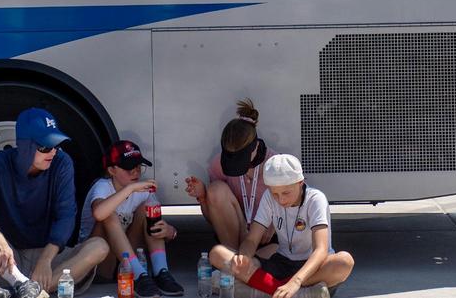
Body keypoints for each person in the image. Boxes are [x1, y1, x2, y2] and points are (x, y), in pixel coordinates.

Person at [0, 108, 107, 298]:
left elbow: (66, 216)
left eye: (56, 145)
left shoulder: (62, 162)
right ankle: (19, 283)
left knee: (100, 246)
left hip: (52, 258)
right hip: (9, 258)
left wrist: (46, 260)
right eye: (45, 147)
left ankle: (31, 291)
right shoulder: (0, 164)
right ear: (25, 146)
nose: (52, 152)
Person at [209, 154, 354, 298]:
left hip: (313, 268)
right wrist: (244, 256)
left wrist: (295, 282)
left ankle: (266, 290)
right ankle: (300, 294)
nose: (281, 199)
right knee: (218, 254)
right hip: (282, 262)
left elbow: (321, 250)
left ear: (300, 183)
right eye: (275, 194)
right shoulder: (268, 197)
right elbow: (252, 240)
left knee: (344, 261)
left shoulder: (316, 199)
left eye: (286, 193)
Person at [80, 141, 183, 298]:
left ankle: (161, 271)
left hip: (127, 258)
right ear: (111, 170)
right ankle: (138, 275)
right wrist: (130, 189)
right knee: (109, 215)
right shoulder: (103, 186)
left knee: (149, 209)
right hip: (100, 263)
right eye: (129, 168)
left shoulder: (140, 189)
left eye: (138, 166)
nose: (136, 172)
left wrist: (170, 231)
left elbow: (158, 227)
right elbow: (99, 214)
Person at [184, 99, 278, 253]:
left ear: (254, 147)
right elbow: (213, 219)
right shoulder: (218, 163)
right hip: (236, 234)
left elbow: (295, 207)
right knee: (215, 189)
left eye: (240, 159)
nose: (234, 163)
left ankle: (238, 266)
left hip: (265, 237)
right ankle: (234, 259)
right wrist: (203, 197)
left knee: (270, 257)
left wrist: (274, 225)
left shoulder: (277, 164)